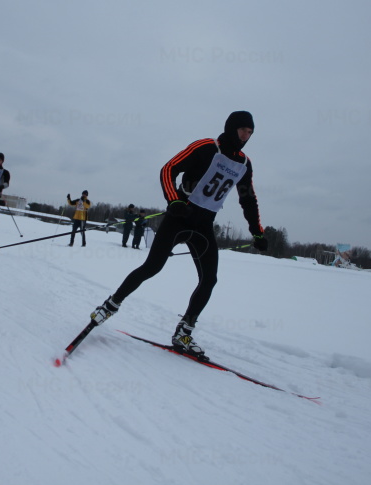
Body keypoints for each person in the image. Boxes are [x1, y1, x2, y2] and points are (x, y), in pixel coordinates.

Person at [89, 111, 268, 359]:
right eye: (243, 130)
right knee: (152, 267)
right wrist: (173, 200)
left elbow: (248, 199)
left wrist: (257, 233)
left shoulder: (244, 164)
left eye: (250, 133)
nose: (246, 136)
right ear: (231, 128)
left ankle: (184, 331)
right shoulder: (206, 147)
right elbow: (169, 168)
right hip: (180, 217)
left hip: (204, 226)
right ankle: (109, 306)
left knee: (209, 279)